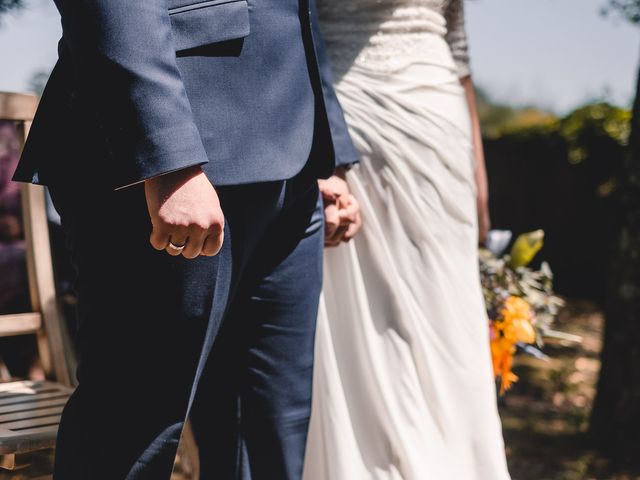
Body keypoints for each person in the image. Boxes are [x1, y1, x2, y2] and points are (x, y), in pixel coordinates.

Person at [12, 0, 360, 477]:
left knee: (272, 427)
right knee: (133, 430)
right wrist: (168, 158)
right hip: (175, 149)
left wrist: (328, 151)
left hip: (293, 155)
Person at [304, 0, 512, 478]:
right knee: (359, 314)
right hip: (353, 121)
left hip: (433, 125)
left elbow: (457, 44)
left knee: (441, 310)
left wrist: (477, 178)